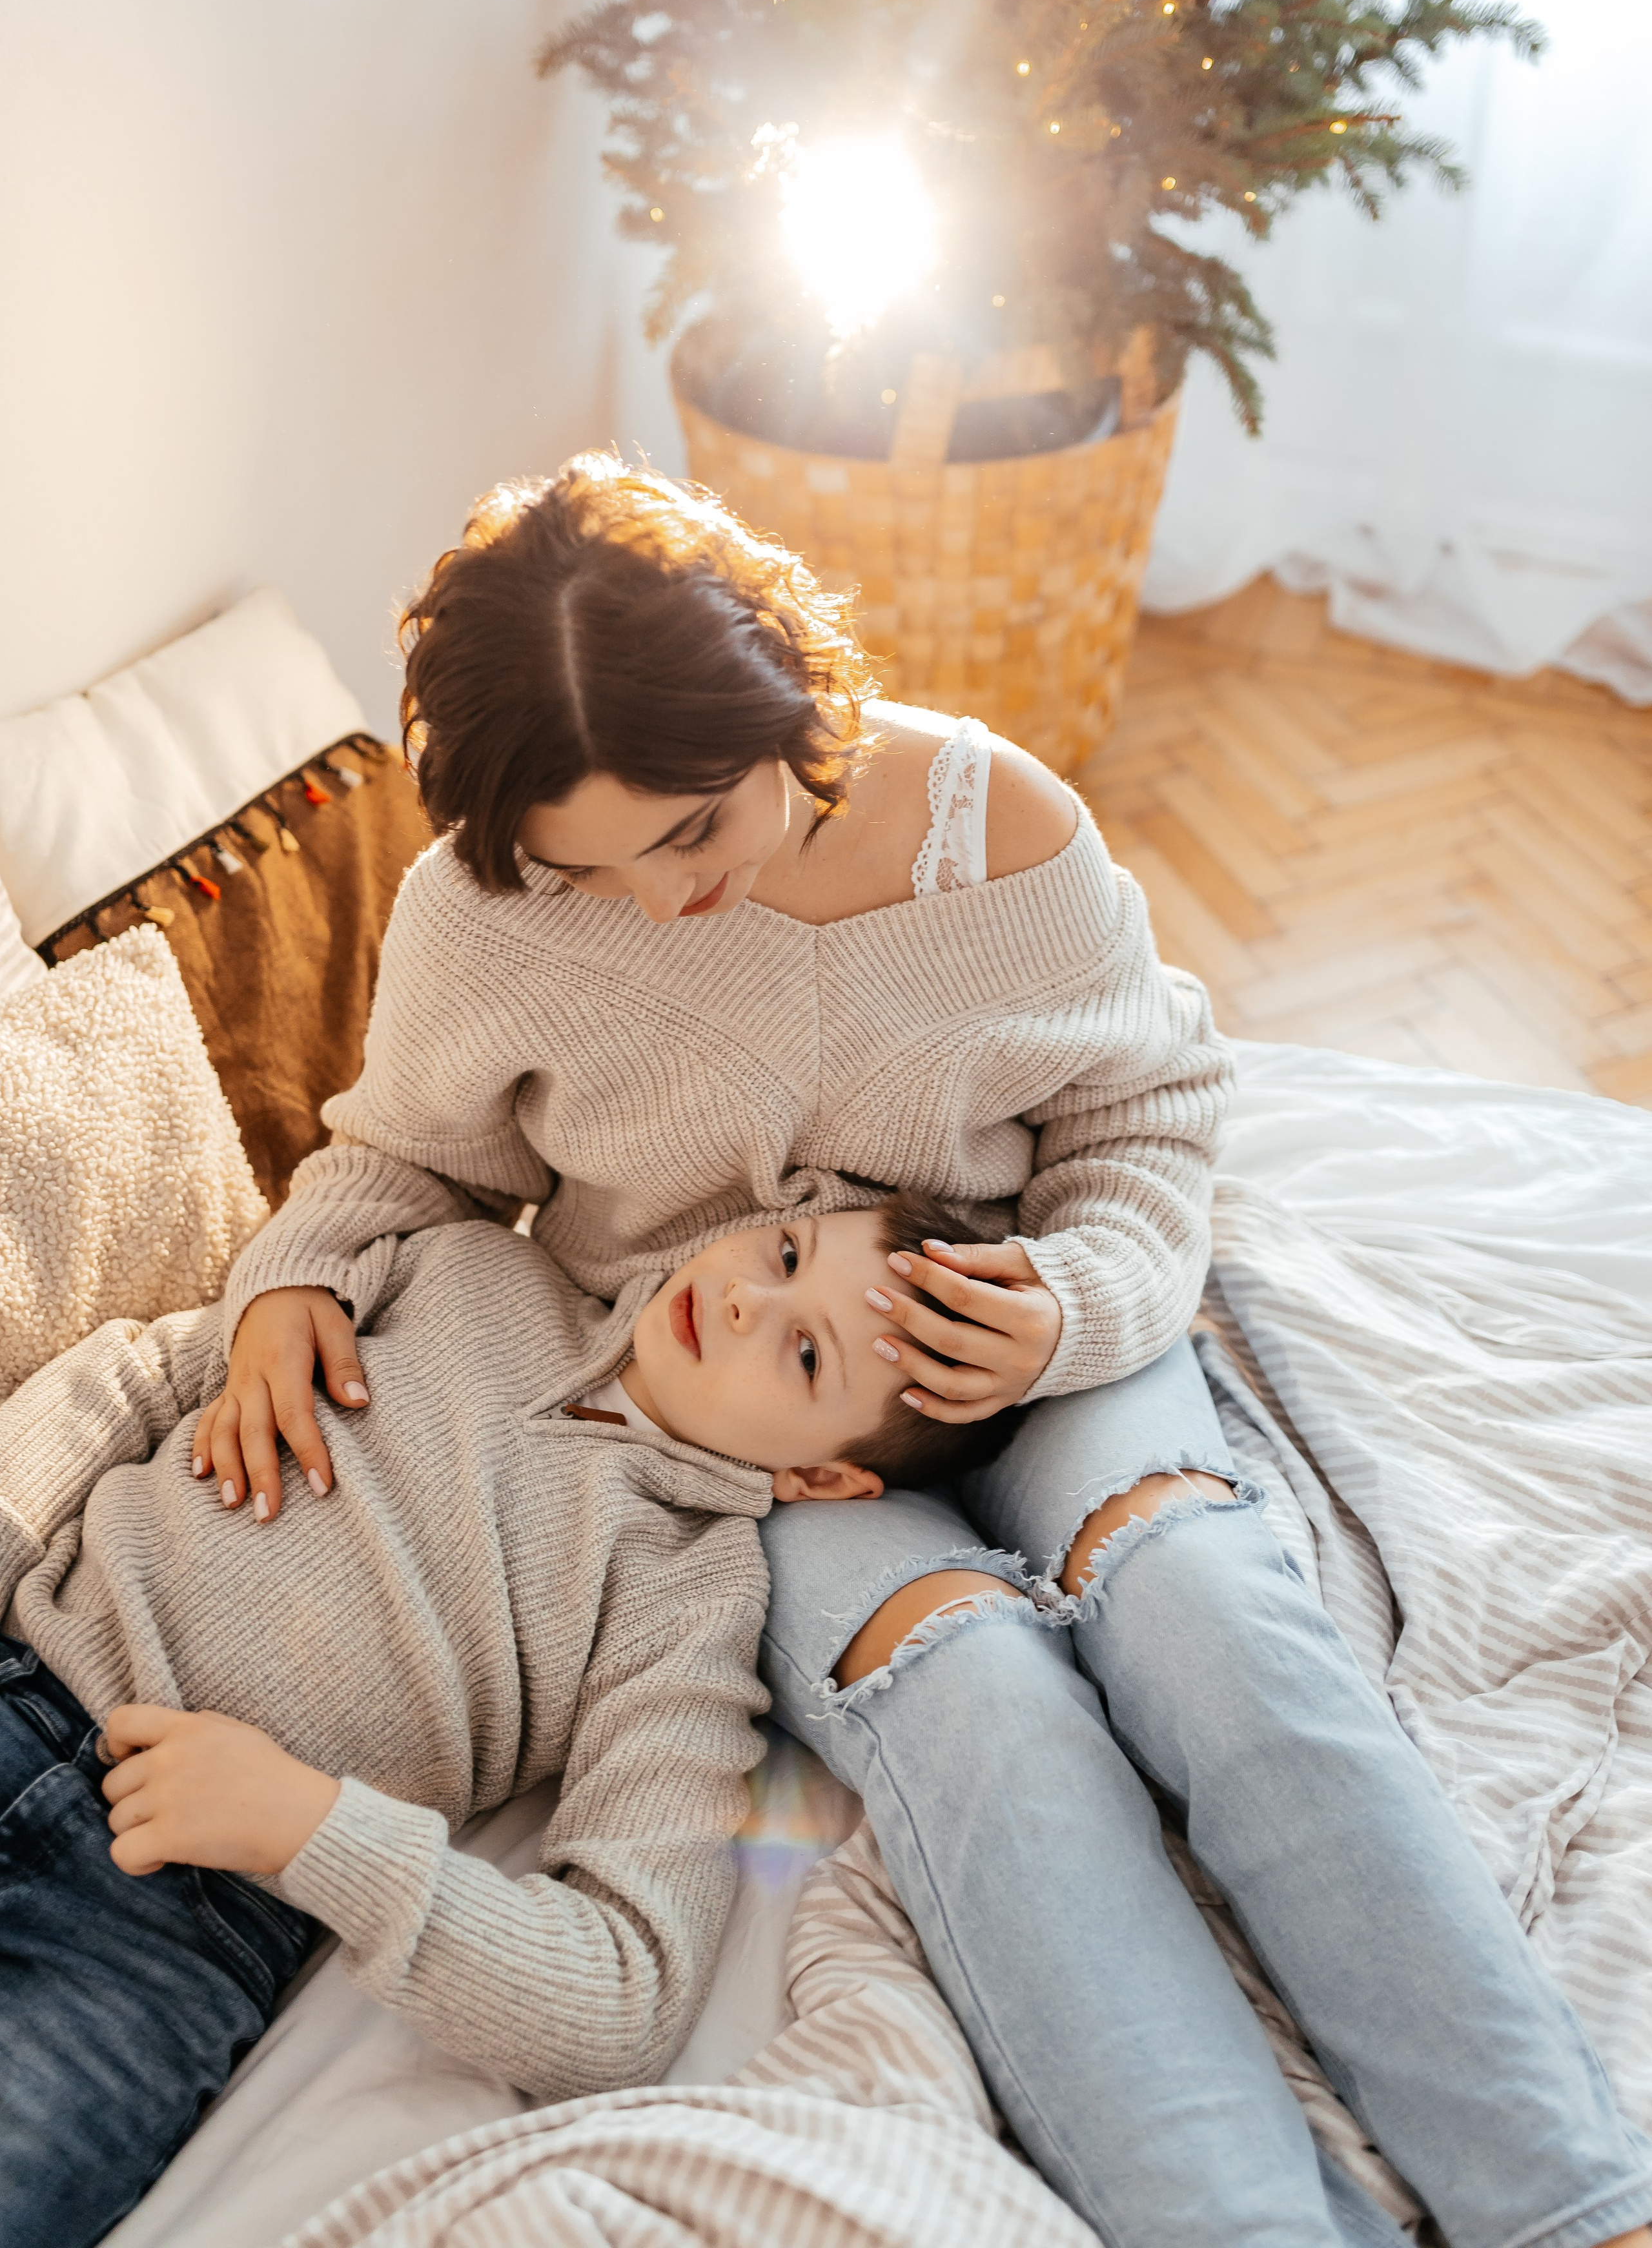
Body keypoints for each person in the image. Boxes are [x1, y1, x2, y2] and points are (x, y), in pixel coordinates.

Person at [205, 455, 1652, 2248]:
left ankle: (1575, 2207)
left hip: (1039, 1328)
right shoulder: (482, 910)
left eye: (690, 832)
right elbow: (409, 1155)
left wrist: (1078, 1309)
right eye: (590, 865)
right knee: (964, 1694)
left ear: (787, 704)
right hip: (758, 1423)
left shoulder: (1002, 834)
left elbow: (1147, 1106)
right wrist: (296, 1277)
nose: (657, 902)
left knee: (1195, 1603)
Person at [0, 1189, 1010, 2248]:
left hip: (175, 1921)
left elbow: (628, 1994)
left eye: (808, 1354)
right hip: (28, 1674)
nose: (749, 1301)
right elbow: (144, 1377)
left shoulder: (689, 1601)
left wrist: (315, 1830)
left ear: (823, 1476)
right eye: (786, 1251)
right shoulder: (467, 1269)